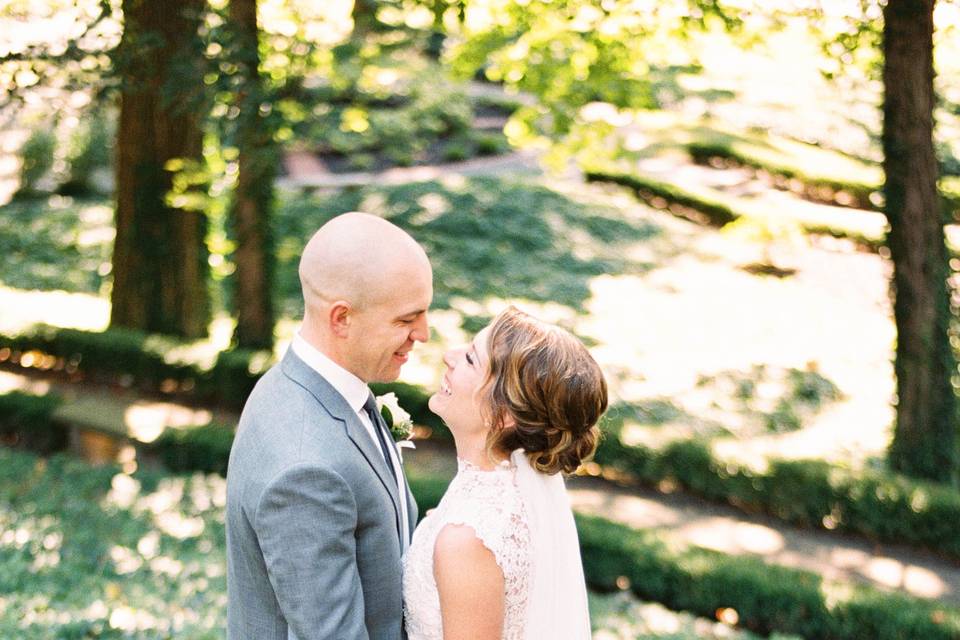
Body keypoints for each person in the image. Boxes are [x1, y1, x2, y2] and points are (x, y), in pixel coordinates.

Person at [226, 211, 432, 640]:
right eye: (405, 319)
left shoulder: (295, 385)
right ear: (341, 319)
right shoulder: (305, 470)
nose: (424, 334)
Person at [402, 306, 607, 639]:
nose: (448, 356)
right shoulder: (497, 495)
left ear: (503, 415)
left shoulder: (469, 536)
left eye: (470, 359)